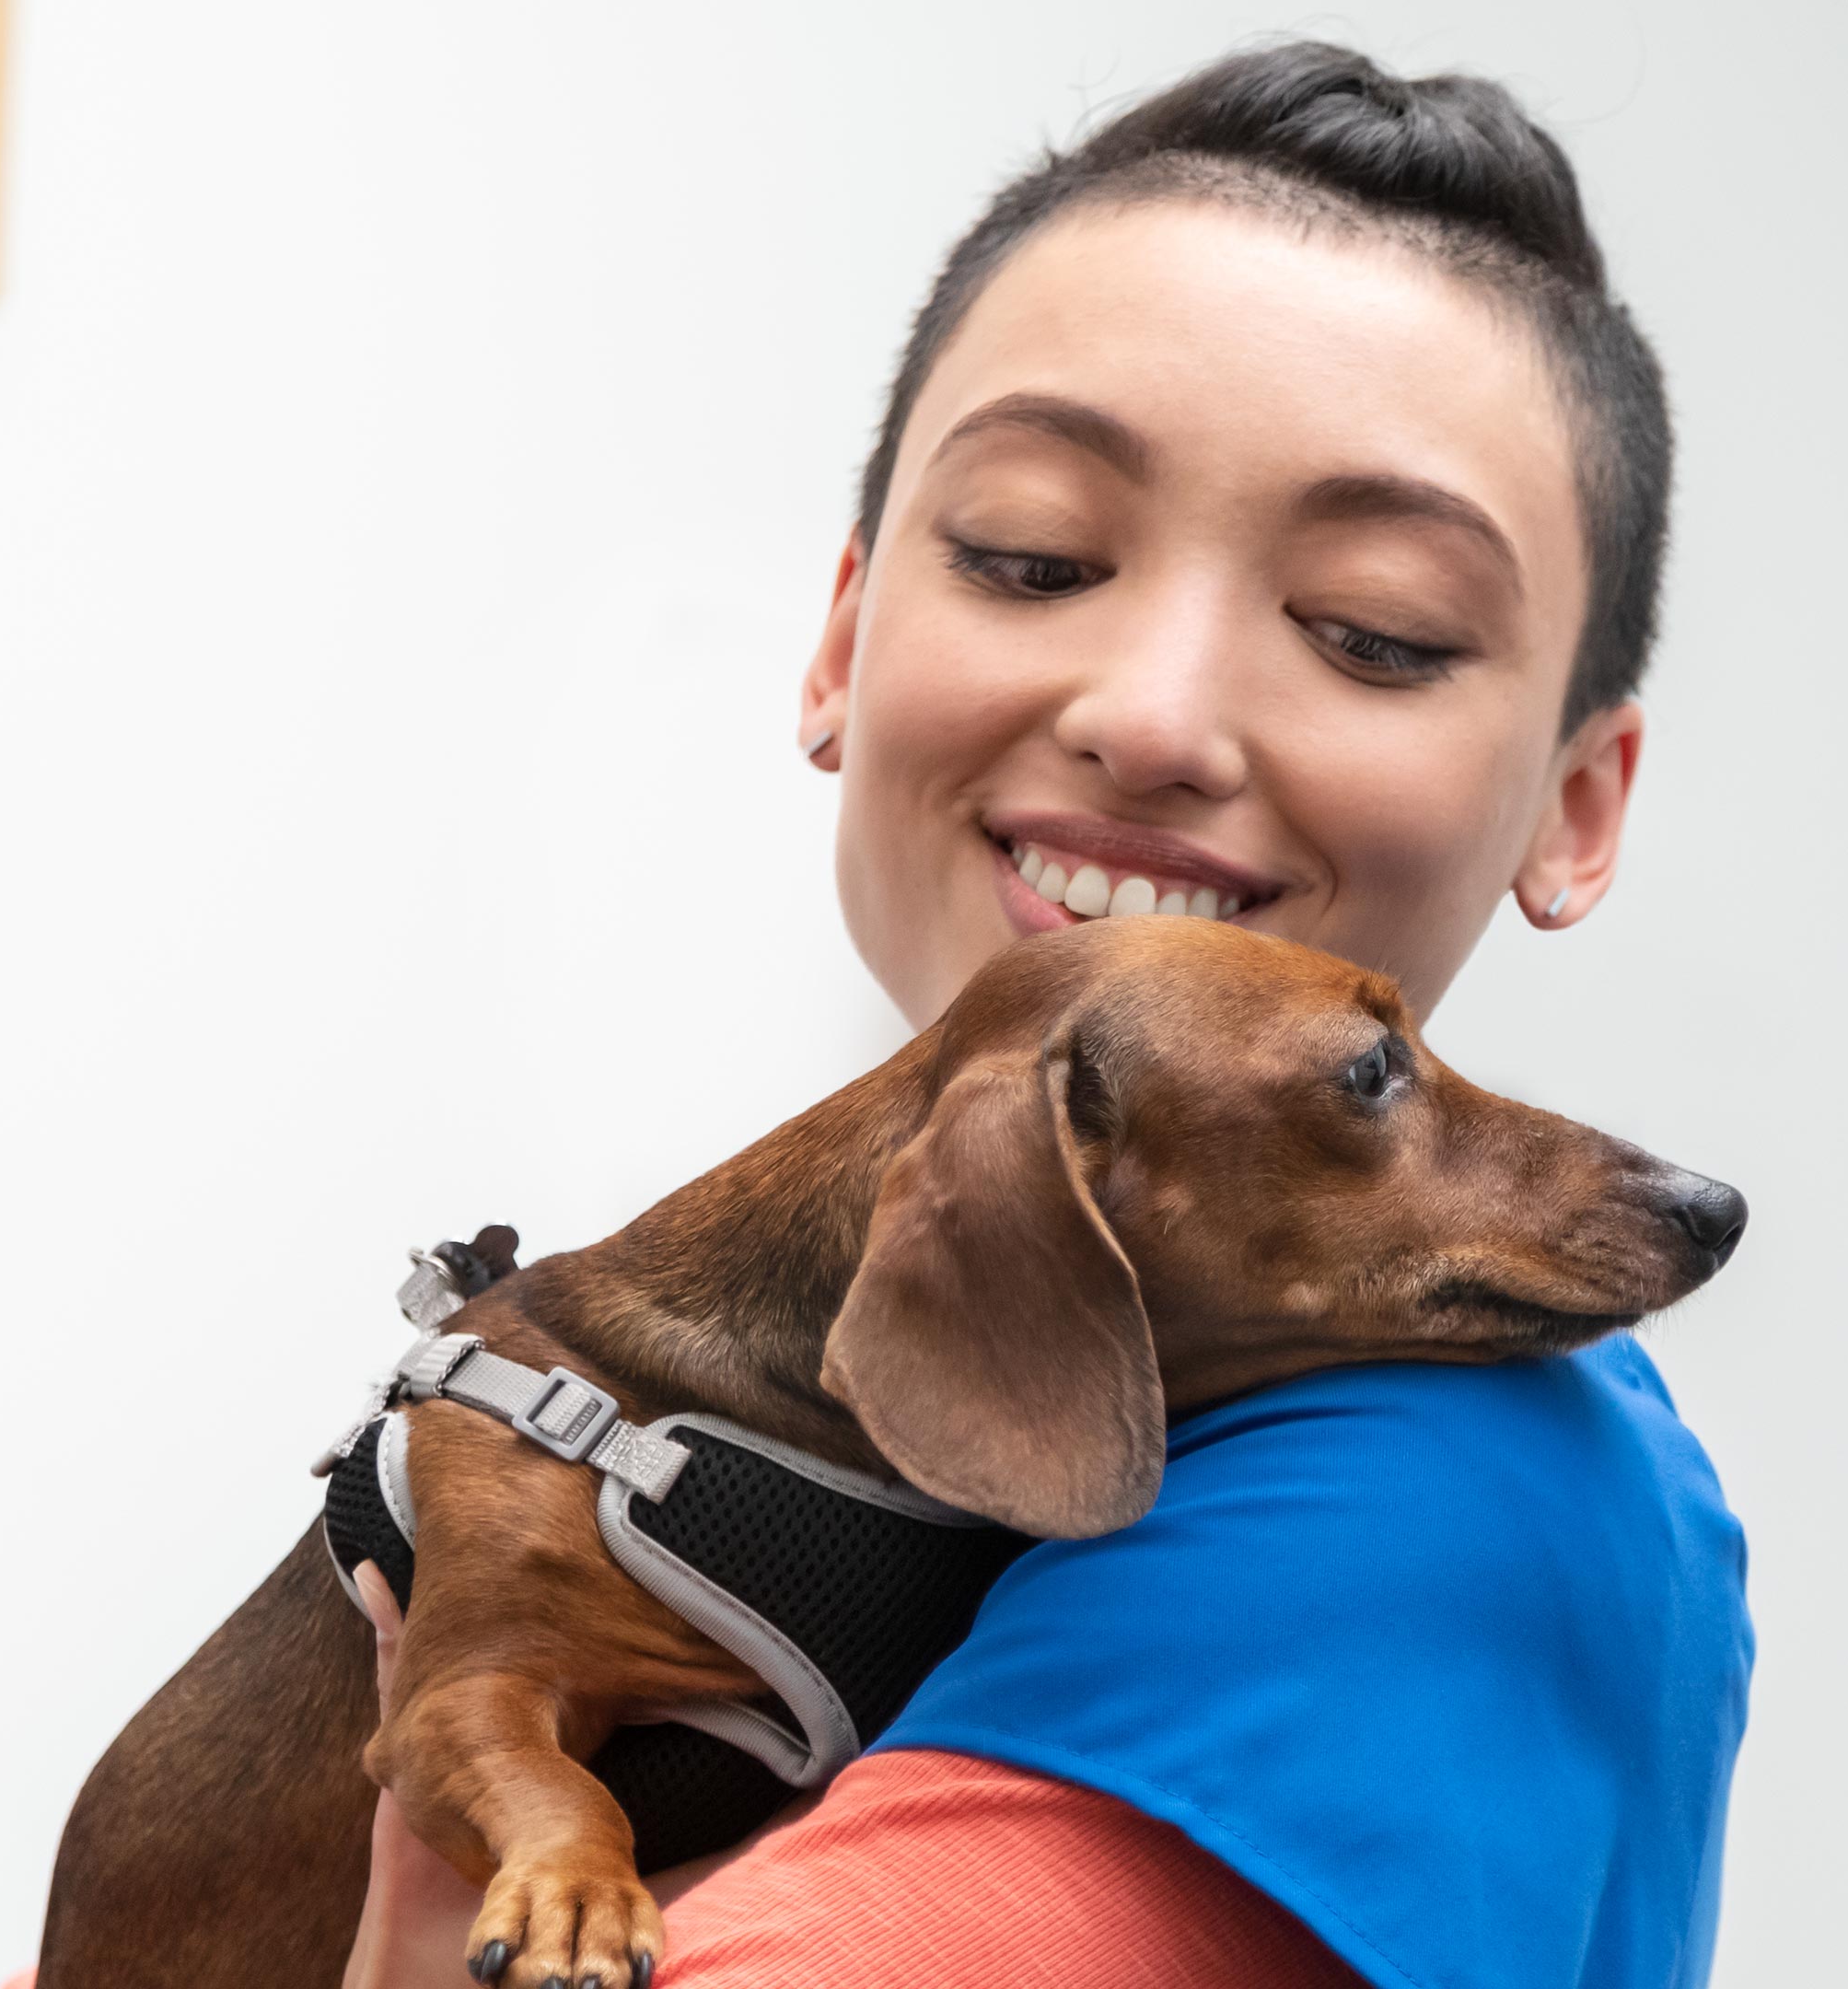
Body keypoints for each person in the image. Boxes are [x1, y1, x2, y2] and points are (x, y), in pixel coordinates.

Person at [275, 41, 1742, 1989]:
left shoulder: (1449, 1490)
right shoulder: (861, 1416)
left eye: (1374, 628)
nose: (1147, 714)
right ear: (841, 642)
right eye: (1032, 555)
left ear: (1578, 805)